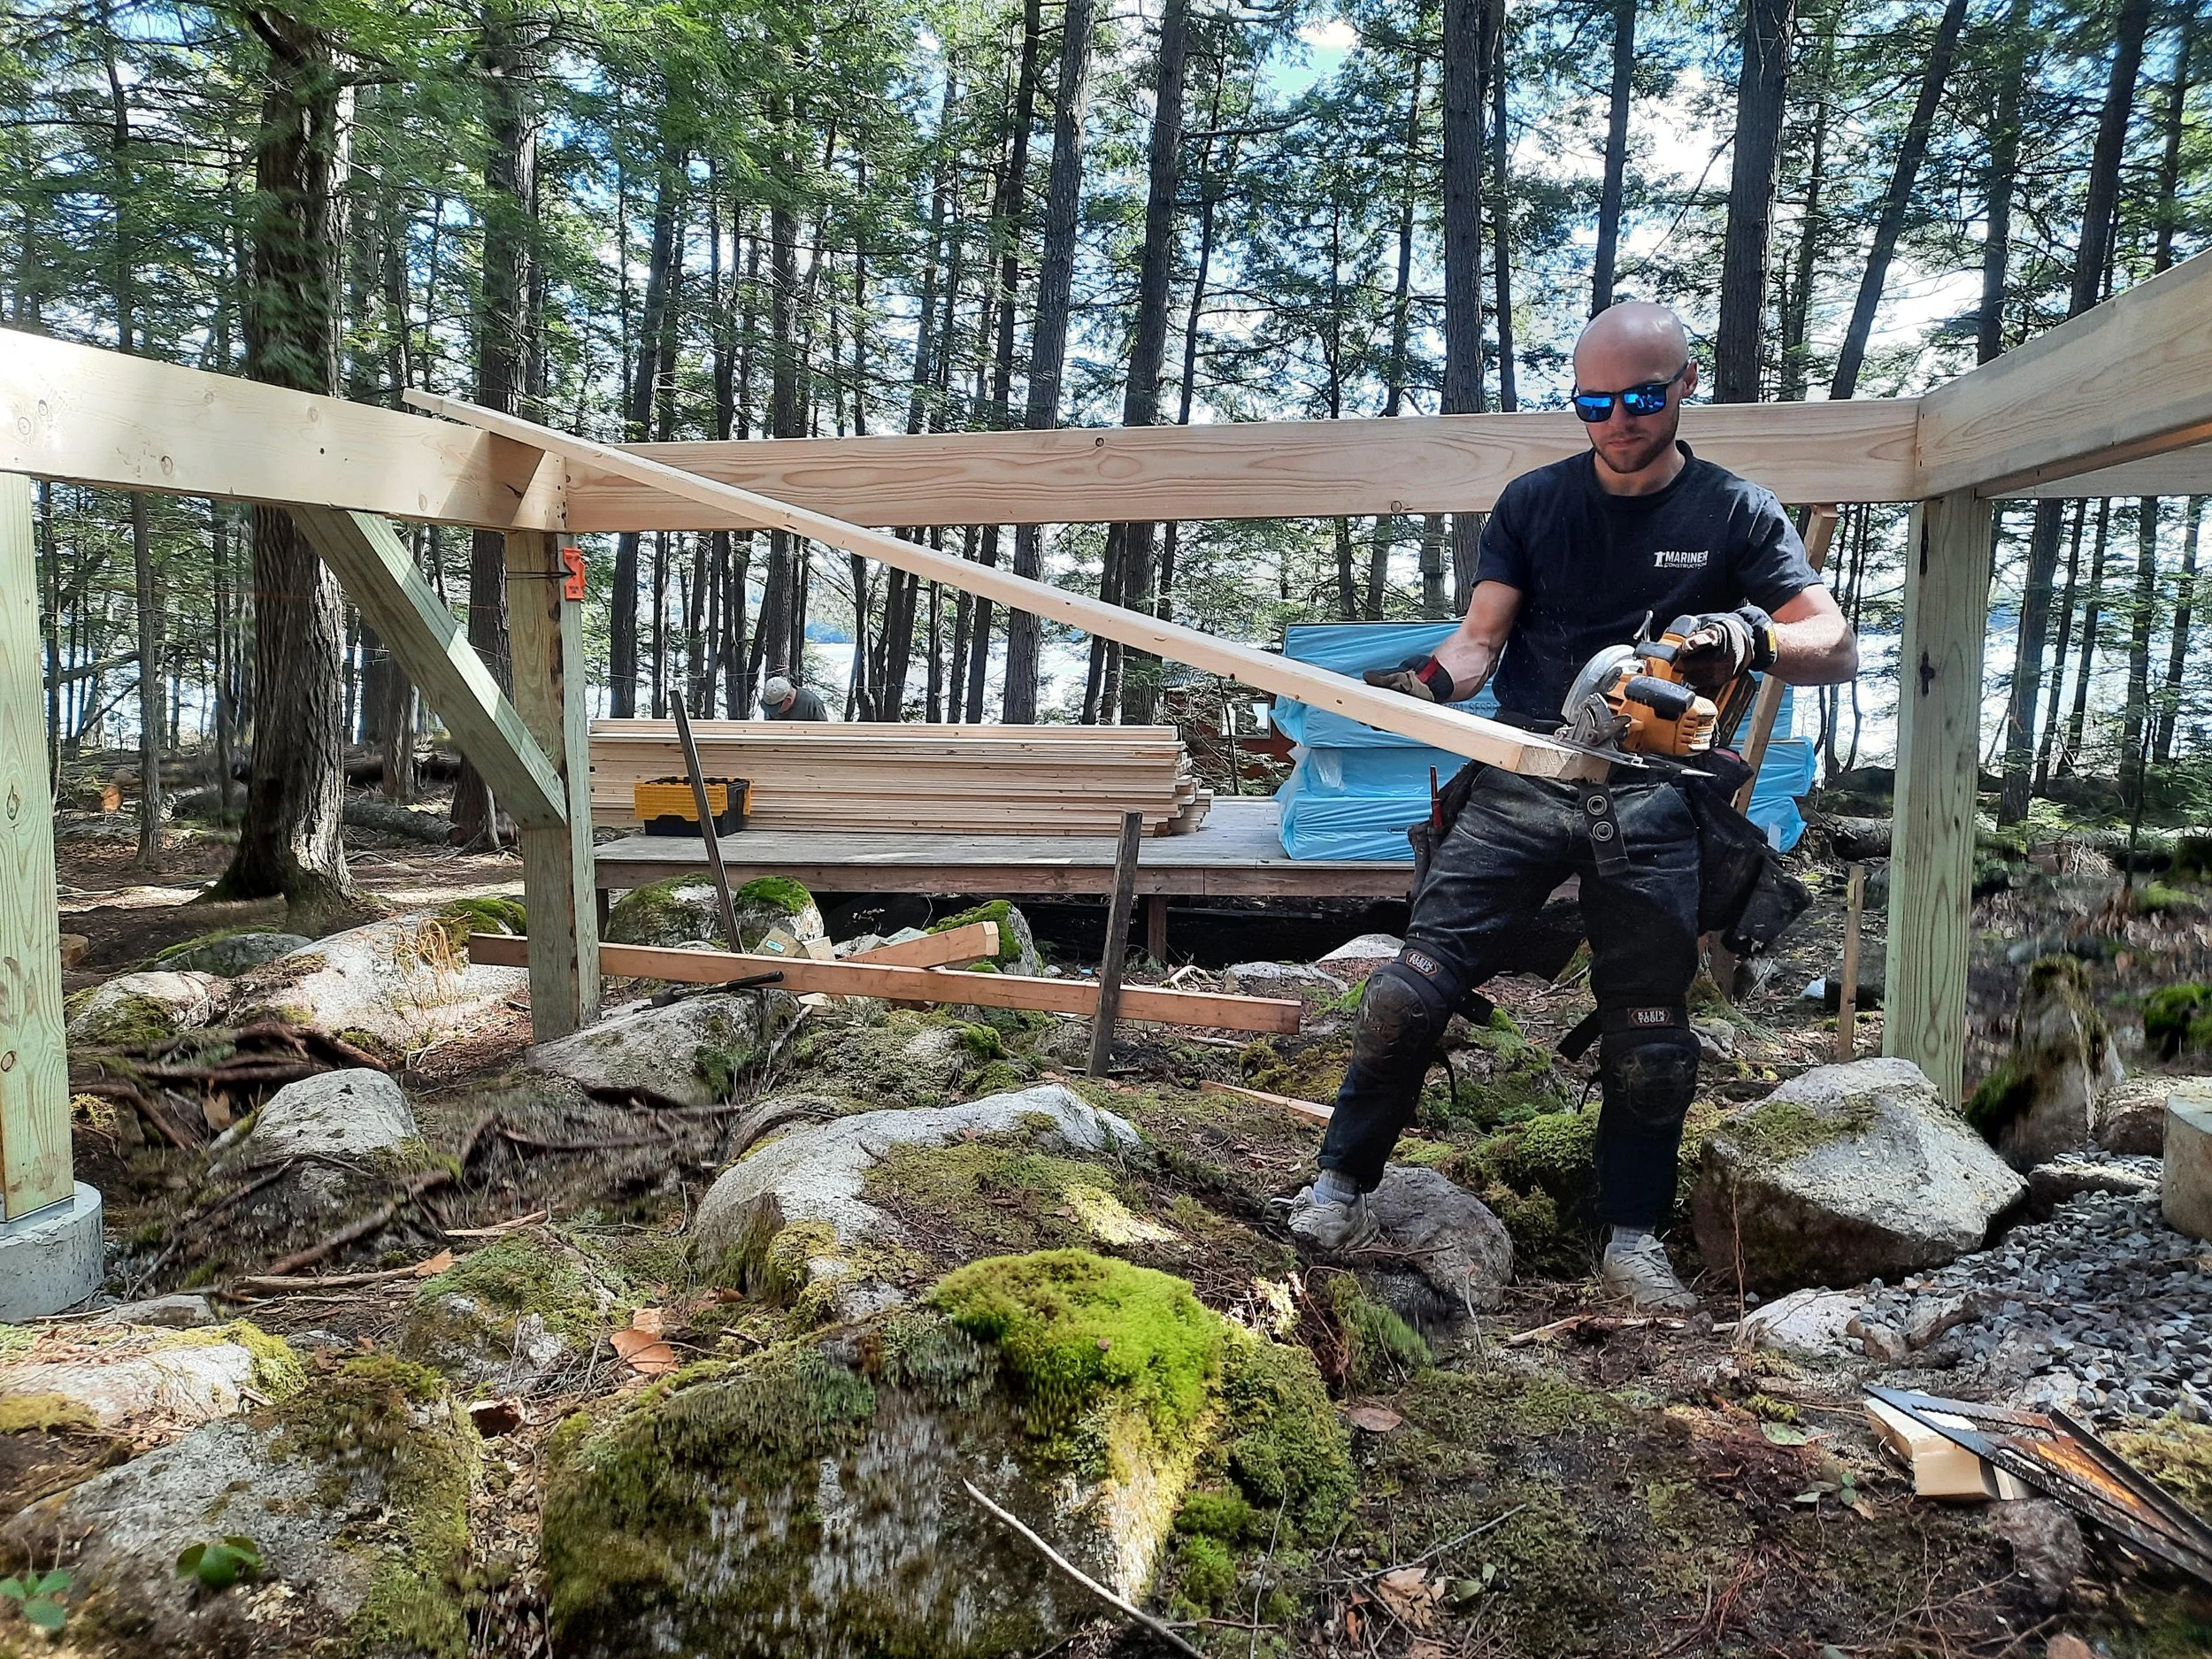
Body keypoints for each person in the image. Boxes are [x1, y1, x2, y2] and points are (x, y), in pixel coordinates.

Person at [1286, 300, 1859, 1312]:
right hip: (1524, 775)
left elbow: (1834, 644)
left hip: (1656, 799)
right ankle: (1337, 1187)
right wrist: (1428, 683)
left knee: (1650, 1037)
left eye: (1641, 397)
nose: (1618, 419)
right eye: (1594, 401)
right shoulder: (1534, 501)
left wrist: (1749, 640)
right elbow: (1478, 640)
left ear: (1685, 387)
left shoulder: (1734, 512)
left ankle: (1630, 1242)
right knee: (1405, 994)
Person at [758, 671, 828, 722]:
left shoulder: (813, 705)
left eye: (775, 708)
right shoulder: (773, 700)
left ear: (788, 700)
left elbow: (824, 734)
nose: (772, 712)